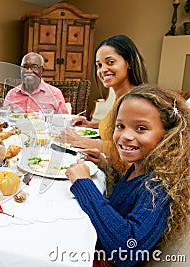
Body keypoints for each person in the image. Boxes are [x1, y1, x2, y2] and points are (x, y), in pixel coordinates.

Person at [65, 85, 190, 266]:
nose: (125, 136)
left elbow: (127, 249)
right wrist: (107, 167)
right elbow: (126, 198)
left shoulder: (160, 187)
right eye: (120, 126)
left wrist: (84, 184)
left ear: (169, 135)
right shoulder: (142, 166)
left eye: (140, 128)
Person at [61, 35, 148, 172]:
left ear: (128, 63)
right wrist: (92, 125)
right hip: (110, 168)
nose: (103, 70)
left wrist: (78, 140)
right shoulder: (122, 97)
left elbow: (126, 148)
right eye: (99, 65)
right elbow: (117, 126)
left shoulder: (133, 102)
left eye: (111, 62)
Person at [4, 52, 68, 114]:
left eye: (34, 67)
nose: (29, 71)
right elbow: (4, 120)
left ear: (42, 71)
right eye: (25, 67)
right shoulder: (11, 95)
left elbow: (64, 120)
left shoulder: (55, 94)